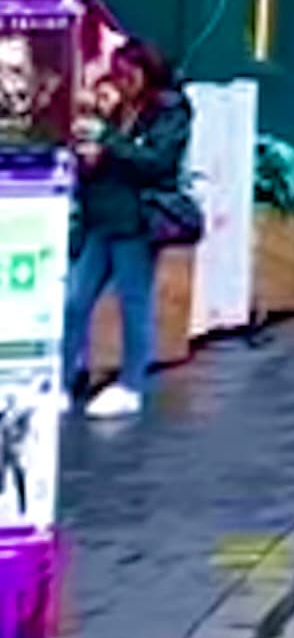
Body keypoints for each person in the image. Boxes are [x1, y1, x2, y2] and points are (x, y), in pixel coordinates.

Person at [63, 42, 195, 419]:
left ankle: (132, 384)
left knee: (133, 302)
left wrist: (109, 140)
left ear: (146, 73)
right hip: (101, 217)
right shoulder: (118, 106)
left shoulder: (169, 113)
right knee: (75, 301)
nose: (122, 81)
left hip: (135, 221)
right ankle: (64, 378)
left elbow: (156, 162)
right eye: (117, 71)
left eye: (129, 73)